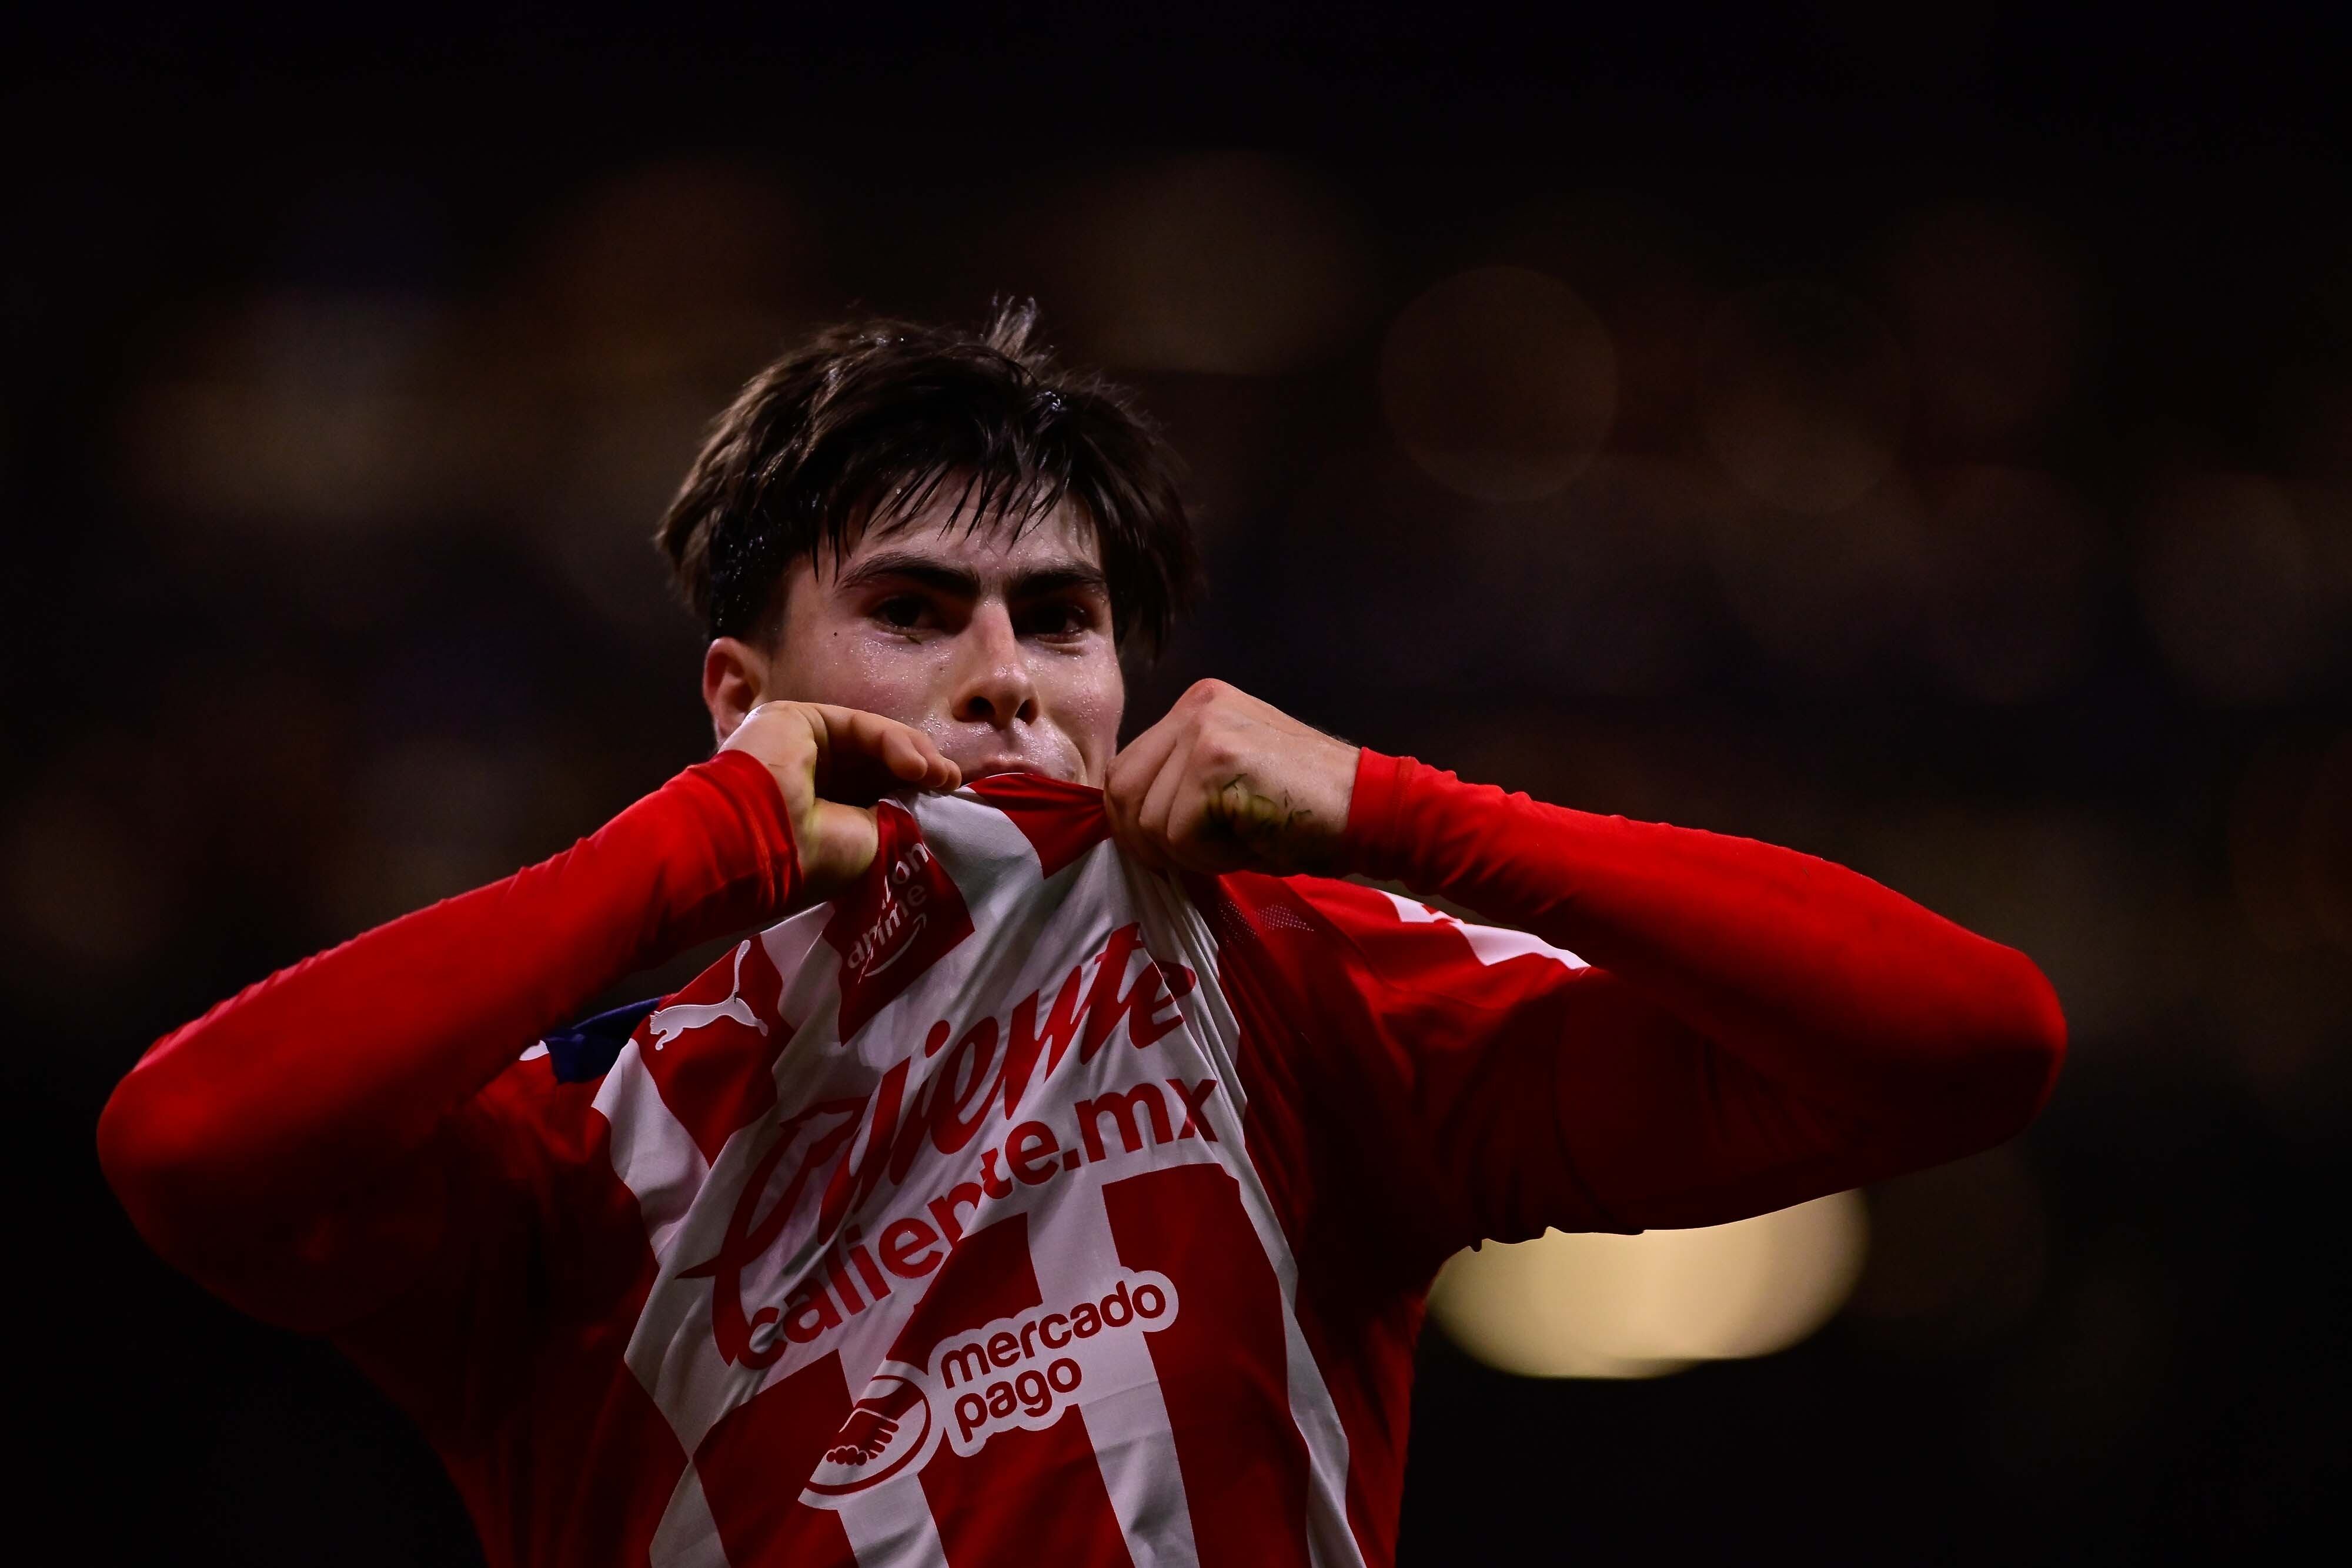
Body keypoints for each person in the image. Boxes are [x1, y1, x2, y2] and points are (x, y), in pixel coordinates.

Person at [98, 302, 2066, 1568]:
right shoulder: (585, 1142)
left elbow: (1972, 1040)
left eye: (1060, 619)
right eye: (915, 606)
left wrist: (1411, 812)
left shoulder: (1298, 979)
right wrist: (683, 854)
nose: (1006, 680)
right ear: (738, 690)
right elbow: (186, 1148)